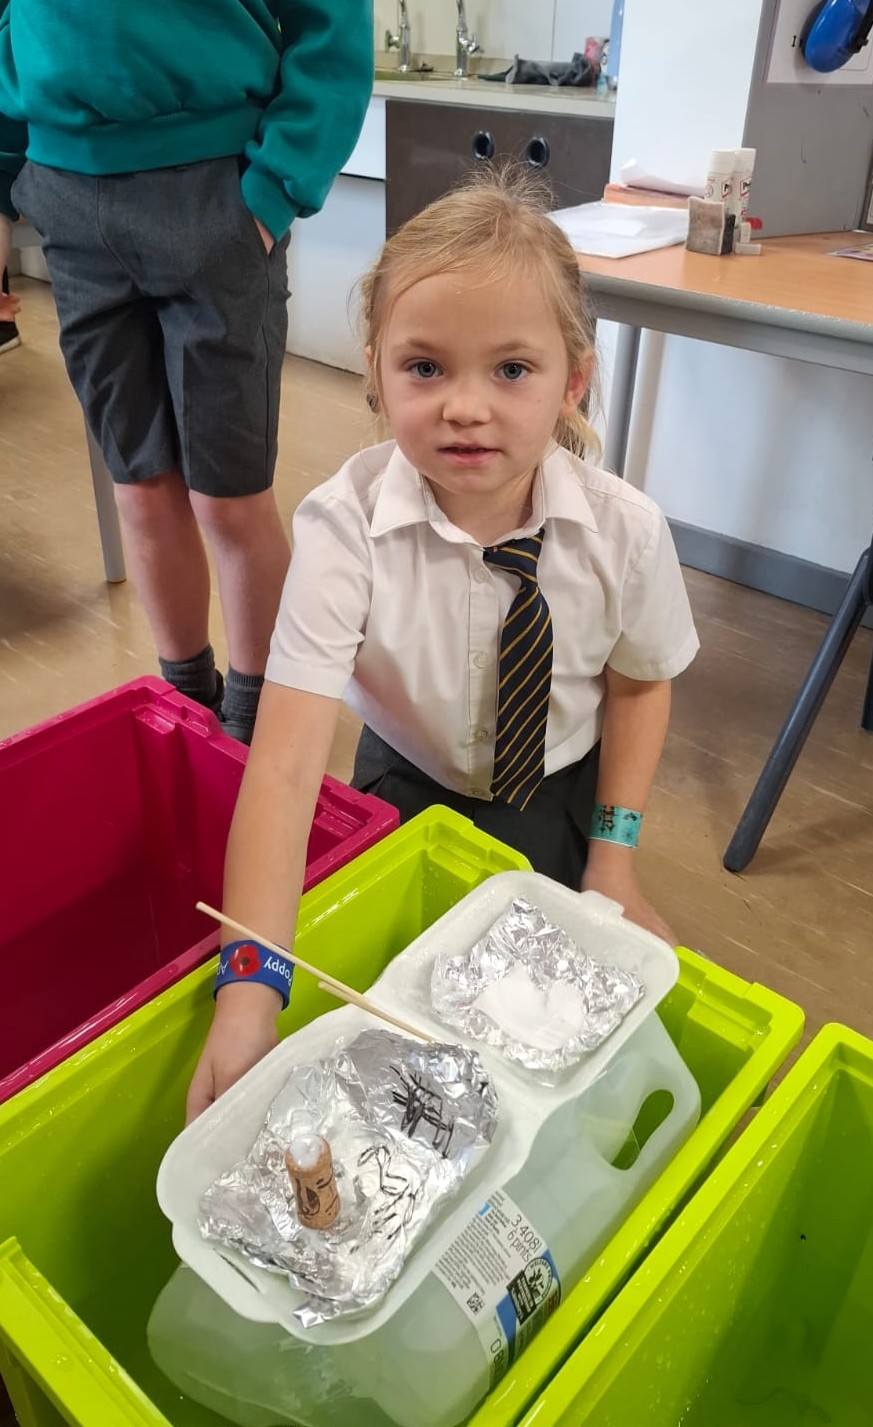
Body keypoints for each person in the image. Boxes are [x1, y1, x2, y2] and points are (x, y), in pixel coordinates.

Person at [186, 170, 699, 1120]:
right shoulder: (342, 530)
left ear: (571, 380)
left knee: (550, 1039)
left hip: (564, 789)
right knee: (414, 1038)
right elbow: (288, 764)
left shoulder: (625, 529)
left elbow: (638, 683)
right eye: (425, 368)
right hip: (409, 784)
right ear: (375, 370)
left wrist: (616, 858)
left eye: (511, 370)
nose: (466, 407)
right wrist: (251, 979)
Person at [0, 1, 372, 742]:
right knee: (138, 488)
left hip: (215, 190)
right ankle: (188, 709)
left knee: (230, 500)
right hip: (63, 192)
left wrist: (273, 191)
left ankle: (259, 726)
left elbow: (330, 22)